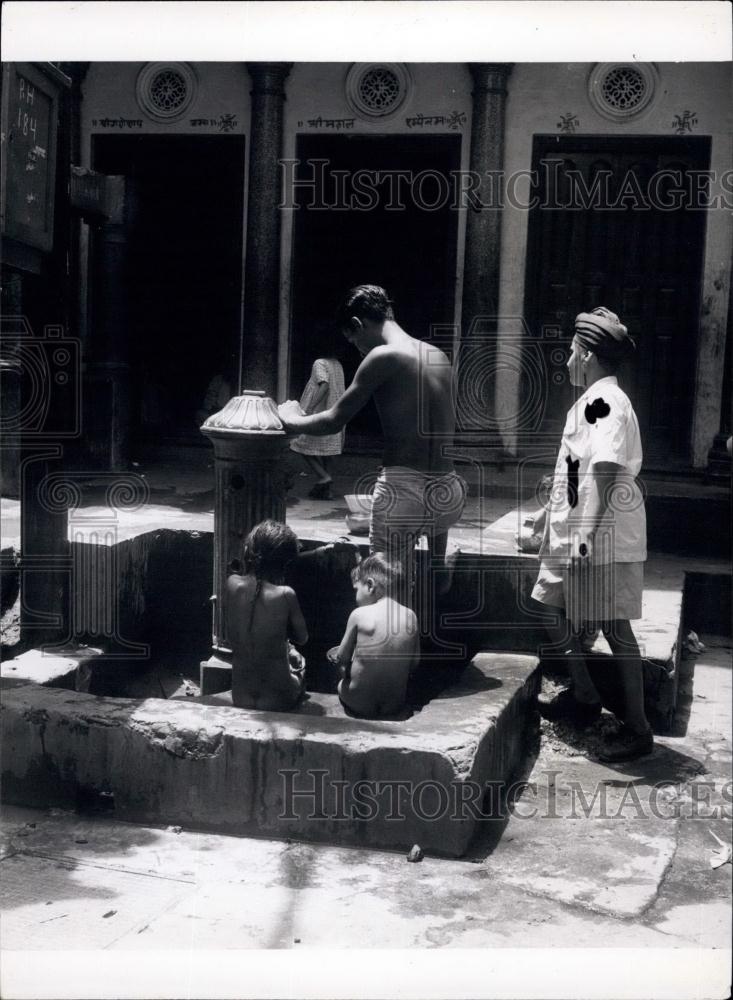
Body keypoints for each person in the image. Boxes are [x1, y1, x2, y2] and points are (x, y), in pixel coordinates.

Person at [278, 285, 466, 599]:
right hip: (448, 491)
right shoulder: (438, 355)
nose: (358, 350)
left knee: (380, 598)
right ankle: (437, 569)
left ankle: (390, 633)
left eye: (353, 341)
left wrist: (289, 420)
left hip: (404, 492)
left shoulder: (382, 356)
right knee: (425, 579)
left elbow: (334, 419)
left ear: (358, 324)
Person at [532, 306, 653, 763]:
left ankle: (637, 729)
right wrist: (551, 510)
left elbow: (603, 475)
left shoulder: (606, 403)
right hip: (577, 528)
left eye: (569, 352)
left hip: (600, 534)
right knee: (548, 604)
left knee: (615, 628)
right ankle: (584, 696)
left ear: (585, 355)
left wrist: (584, 536)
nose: (566, 361)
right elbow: (579, 469)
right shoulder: (590, 402)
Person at [225, 520, 308, 712]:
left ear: (247, 552)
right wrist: (289, 647)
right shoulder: (286, 594)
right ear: (284, 565)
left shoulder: (232, 584)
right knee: (301, 665)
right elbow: (302, 638)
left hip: (240, 697)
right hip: (279, 699)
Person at [328, 553, 419, 718]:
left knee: (341, 679)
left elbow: (340, 658)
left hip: (358, 704)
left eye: (356, 589)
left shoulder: (358, 614)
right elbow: (414, 662)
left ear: (370, 585)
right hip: (394, 705)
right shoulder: (411, 616)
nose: (355, 596)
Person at [290, 355, 346, 500]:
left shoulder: (319, 362)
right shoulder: (337, 363)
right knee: (328, 452)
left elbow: (325, 385)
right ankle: (327, 491)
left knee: (299, 442)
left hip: (319, 412)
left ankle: (324, 476)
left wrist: (309, 408)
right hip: (334, 411)